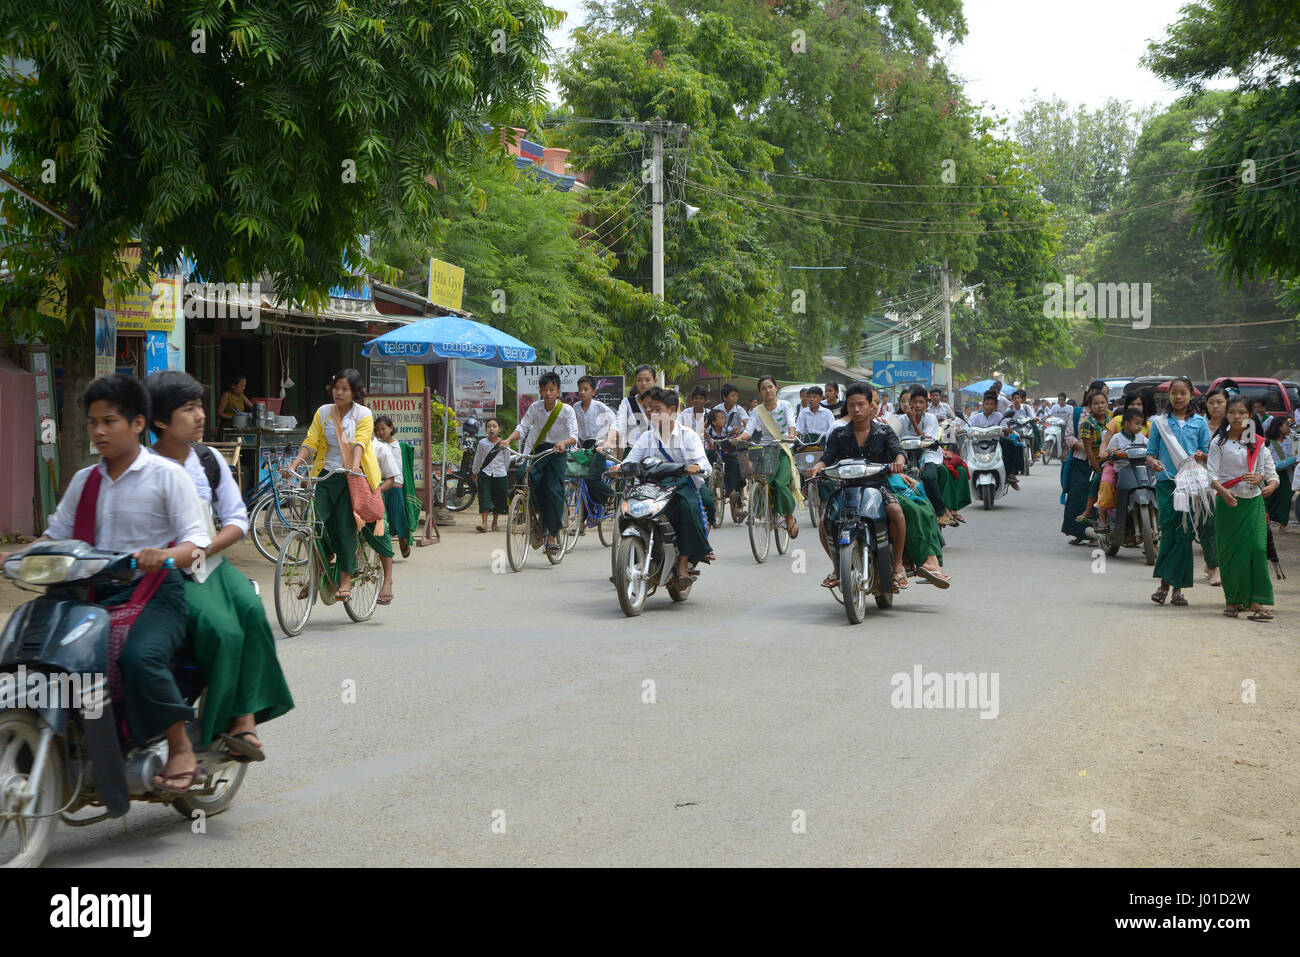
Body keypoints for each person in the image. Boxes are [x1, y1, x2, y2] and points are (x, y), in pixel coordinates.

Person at [0, 375, 211, 793]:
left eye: (109, 421)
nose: (98, 431)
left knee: (138, 658)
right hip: (87, 593)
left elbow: (198, 541)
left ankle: (180, 746)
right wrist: (13, 558)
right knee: (33, 655)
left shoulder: (166, 475)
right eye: (93, 421)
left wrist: (164, 555)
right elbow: (55, 535)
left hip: (155, 592)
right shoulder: (84, 481)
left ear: (137, 423)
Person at [145, 371, 294, 763]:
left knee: (251, 610)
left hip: (208, 562)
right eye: (188, 409)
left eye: (199, 406)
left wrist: (203, 547)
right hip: (163, 571)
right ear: (160, 421)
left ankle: (244, 720)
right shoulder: (143, 465)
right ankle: (210, 729)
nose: (199, 416)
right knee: (219, 628)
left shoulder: (209, 459)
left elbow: (237, 520)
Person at [806, 381, 948, 590]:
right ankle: (838, 567)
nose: (856, 409)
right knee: (823, 522)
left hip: (879, 487)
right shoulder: (838, 434)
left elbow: (897, 451)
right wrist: (817, 467)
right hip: (846, 489)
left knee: (897, 512)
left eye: (861, 404)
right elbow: (827, 457)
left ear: (869, 405)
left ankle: (898, 566)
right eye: (852, 405)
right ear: (847, 406)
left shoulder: (883, 431)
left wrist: (899, 461)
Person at [283, 369, 394, 603]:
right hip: (325, 474)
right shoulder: (323, 412)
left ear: (354, 392)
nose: (339, 392)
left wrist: (353, 466)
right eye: (336, 388)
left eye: (345, 389)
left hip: (353, 476)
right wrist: (294, 465)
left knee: (345, 525)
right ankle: (321, 566)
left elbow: (360, 441)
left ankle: (345, 578)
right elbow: (311, 441)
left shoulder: (362, 414)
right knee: (314, 521)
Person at [609, 387, 712, 587]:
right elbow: (631, 460)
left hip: (680, 486)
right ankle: (629, 560)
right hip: (650, 488)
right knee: (629, 511)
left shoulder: (688, 436)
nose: (651, 413)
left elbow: (705, 465)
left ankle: (682, 566)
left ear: (672, 410)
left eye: (657, 409)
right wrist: (618, 468)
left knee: (687, 508)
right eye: (649, 409)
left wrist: (696, 467)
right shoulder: (646, 437)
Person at [1145, 376, 1214, 606]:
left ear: (1191, 395)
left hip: (1191, 485)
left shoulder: (1200, 423)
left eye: (1183, 393)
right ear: (1169, 395)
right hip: (1167, 482)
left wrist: (1200, 456)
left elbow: (1207, 453)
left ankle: (1175, 589)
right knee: (1169, 529)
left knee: (1184, 533)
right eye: (1175, 392)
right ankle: (1166, 585)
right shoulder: (1159, 423)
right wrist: (1153, 462)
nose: (1178, 397)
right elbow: (1150, 453)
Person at [1209, 395, 1279, 620]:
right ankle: (1233, 601)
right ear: (1226, 415)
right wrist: (1222, 491)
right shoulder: (1218, 443)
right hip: (1228, 503)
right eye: (1232, 412)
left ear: (1250, 415)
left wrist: (1268, 484)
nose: (1237, 417)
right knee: (1230, 553)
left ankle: (1256, 603)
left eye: (1242, 412)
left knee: (1258, 551)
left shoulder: (1258, 442)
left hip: (1254, 503)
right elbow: (1211, 474)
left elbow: (1271, 473)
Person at [499, 371, 579, 555]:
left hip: (557, 453)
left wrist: (563, 443)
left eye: (551, 389)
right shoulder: (535, 407)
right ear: (540, 392)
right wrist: (508, 440)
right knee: (523, 477)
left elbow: (574, 435)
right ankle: (533, 516)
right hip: (537, 451)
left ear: (558, 391)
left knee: (553, 490)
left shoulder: (567, 410)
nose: (548, 393)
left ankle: (552, 534)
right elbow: (523, 427)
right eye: (544, 390)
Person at [734, 374, 802, 538]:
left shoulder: (785, 405)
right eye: (763, 388)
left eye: (770, 386)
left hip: (783, 446)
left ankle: (788, 516)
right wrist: (739, 439)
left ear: (776, 388)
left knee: (780, 484)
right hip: (765, 448)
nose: (767, 390)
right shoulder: (757, 411)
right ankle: (764, 512)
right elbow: (748, 431)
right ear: (760, 392)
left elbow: (791, 425)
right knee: (761, 481)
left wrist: (791, 435)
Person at [897, 384, 958, 526]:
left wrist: (913, 421)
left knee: (929, 477)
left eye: (921, 402)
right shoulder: (901, 419)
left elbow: (927, 439)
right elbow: (889, 433)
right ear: (910, 403)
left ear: (926, 405)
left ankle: (941, 511)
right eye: (914, 402)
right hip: (906, 456)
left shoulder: (930, 418)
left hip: (928, 455)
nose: (917, 406)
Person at [1096, 407, 1148, 532]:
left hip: (1137, 470)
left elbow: (1150, 446)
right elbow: (1108, 454)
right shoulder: (1117, 438)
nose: (1140, 427)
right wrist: (1110, 452)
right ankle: (1102, 518)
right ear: (1126, 424)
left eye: (1141, 424)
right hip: (1118, 470)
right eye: (1137, 424)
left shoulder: (1141, 437)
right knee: (1107, 485)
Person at [573, 375, 615, 509]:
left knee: (592, 478)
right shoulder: (575, 408)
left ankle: (610, 493)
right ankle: (583, 520)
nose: (582, 392)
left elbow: (615, 425)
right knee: (579, 479)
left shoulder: (601, 408)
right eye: (580, 389)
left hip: (599, 448)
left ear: (593, 392)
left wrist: (607, 442)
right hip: (583, 448)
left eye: (586, 389)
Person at [968, 391, 1023, 490]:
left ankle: (1010, 474)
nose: (989, 406)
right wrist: (959, 430)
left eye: (991, 404)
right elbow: (966, 427)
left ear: (995, 405)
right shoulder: (975, 417)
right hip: (977, 443)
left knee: (1011, 444)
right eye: (987, 404)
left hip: (995, 442)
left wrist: (1006, 430)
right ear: (983, 405)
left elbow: (1004, 428)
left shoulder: (999, 416)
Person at [373, 415, 411, 558]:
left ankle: (403, 542)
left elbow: (404, 468)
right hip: (380, 485)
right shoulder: (375, 446)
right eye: (377, 430)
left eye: (383, 429)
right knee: (383, 518)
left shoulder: (399, 446)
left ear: (391, 428)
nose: (381, 432)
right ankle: (385, 550)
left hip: (396, 485)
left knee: (398, 517)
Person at [471, 417, 511, 533]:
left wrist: (504, 472)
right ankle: (484, 524)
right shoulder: (482, 443)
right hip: (485, 474)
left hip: (500, 474)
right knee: (484, 497)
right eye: (489, 427)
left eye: (494, 426)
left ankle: (495, 522)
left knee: (498, 498)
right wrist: (475, 472)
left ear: (499, 429)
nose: (491, 429)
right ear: (485, 429)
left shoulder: (504, 444)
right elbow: (478, 458)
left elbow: (507, 461)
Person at [609, 364, 657, 452]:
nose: (643, 383)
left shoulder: (662, 403)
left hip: (657, 453)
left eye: (648, 380)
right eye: (639, 380)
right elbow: (618, 424)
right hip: (634, 452)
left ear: (655, 381)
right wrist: (608, 441)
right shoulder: (627, 402)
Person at [1264, 416, 1295, 531]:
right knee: (1270, 498)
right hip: (1271, 473)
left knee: (1285, 498)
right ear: (1278, 427)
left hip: (1285, 474)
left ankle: (1283, 525)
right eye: (1286, 425)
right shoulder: (1268, 442)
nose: (1288, 428)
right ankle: (1268, 521)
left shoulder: (1291, 442)